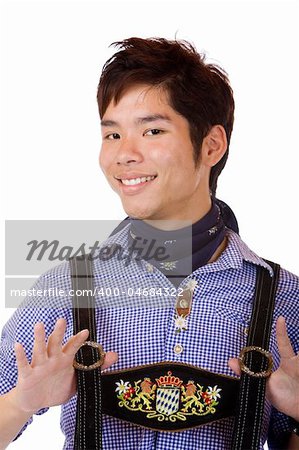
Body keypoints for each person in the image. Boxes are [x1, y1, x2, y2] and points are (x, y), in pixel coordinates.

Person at [0, 37, 298, 450]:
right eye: (112, 135)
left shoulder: (282, 297)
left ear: (211, 145)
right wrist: (21, 402)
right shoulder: (69, 287)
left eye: (152, 130)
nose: (124, 155)